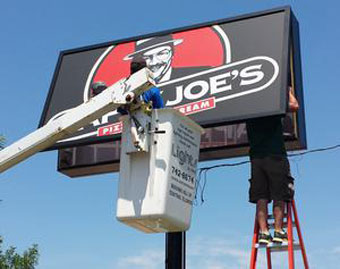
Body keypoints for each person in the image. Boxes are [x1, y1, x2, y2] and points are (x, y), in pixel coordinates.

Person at [246, 87, 299, 244]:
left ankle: (263, 233)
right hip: (276, 156)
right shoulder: (272, 107)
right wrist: (288, 92)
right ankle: (278, 231)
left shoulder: (247, 110)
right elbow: (294, 106)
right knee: (279, 195)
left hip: (256, 159)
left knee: (261, 198)